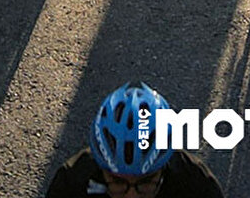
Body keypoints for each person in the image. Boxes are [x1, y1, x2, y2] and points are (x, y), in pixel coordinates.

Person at [45, 81, 224, 197]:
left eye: (146, 182)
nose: (132, 197)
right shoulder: (72, 182)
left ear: (164, 168)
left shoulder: (195, 184)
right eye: (118, 182)